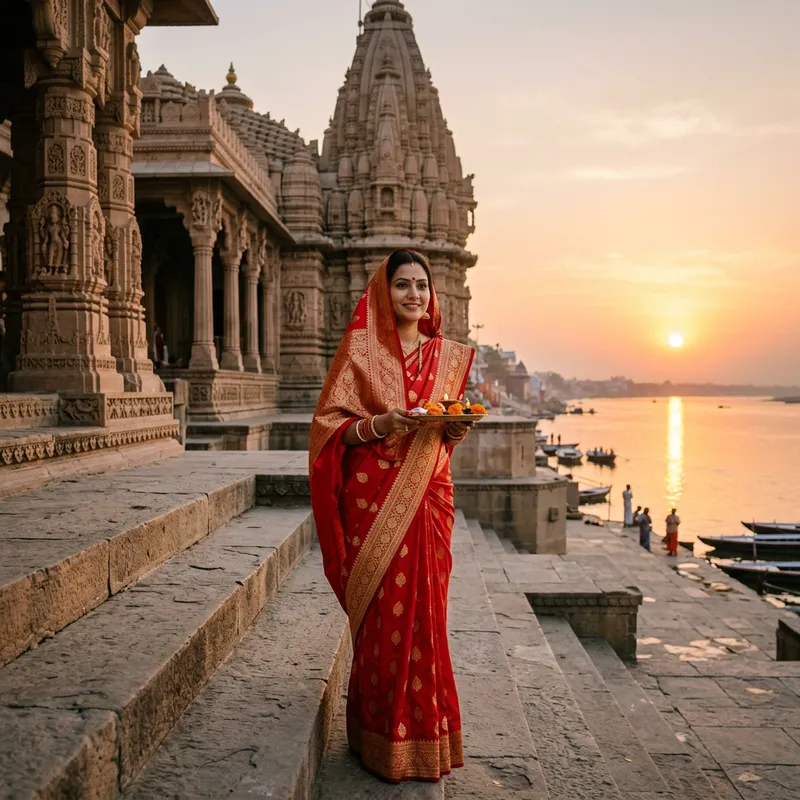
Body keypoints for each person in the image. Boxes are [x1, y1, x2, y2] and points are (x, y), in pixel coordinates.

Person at [310, 249, 475, 783]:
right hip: (371, 499)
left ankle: (425, 735)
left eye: (422, 285)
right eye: (402, 285)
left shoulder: (445, 355)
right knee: (384, 620)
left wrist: (454, 430)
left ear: (432, 293)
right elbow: (329, 427)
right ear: (385, 292)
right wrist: (380, 425)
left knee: (427, 619)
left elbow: (445, 431)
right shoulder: (362, 351)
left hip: (429, 498)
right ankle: (378, 736)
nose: (414, 295)